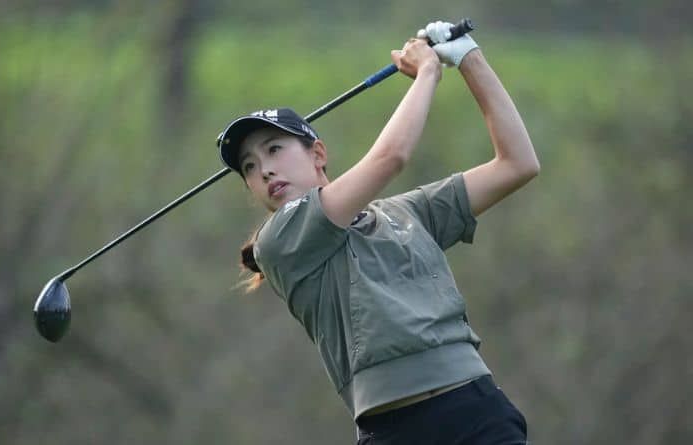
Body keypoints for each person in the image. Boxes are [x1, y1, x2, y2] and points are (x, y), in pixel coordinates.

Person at [216, 20, 539, 444]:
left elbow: (517, 163)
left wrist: (468, 58)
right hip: (394, 431)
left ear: (318, 154)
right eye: (250, 168)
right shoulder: (279, 240)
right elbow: (391, 157)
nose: (265, 170)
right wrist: (427, 72)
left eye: (274, 149)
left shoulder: (406, 213)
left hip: (475, 408)